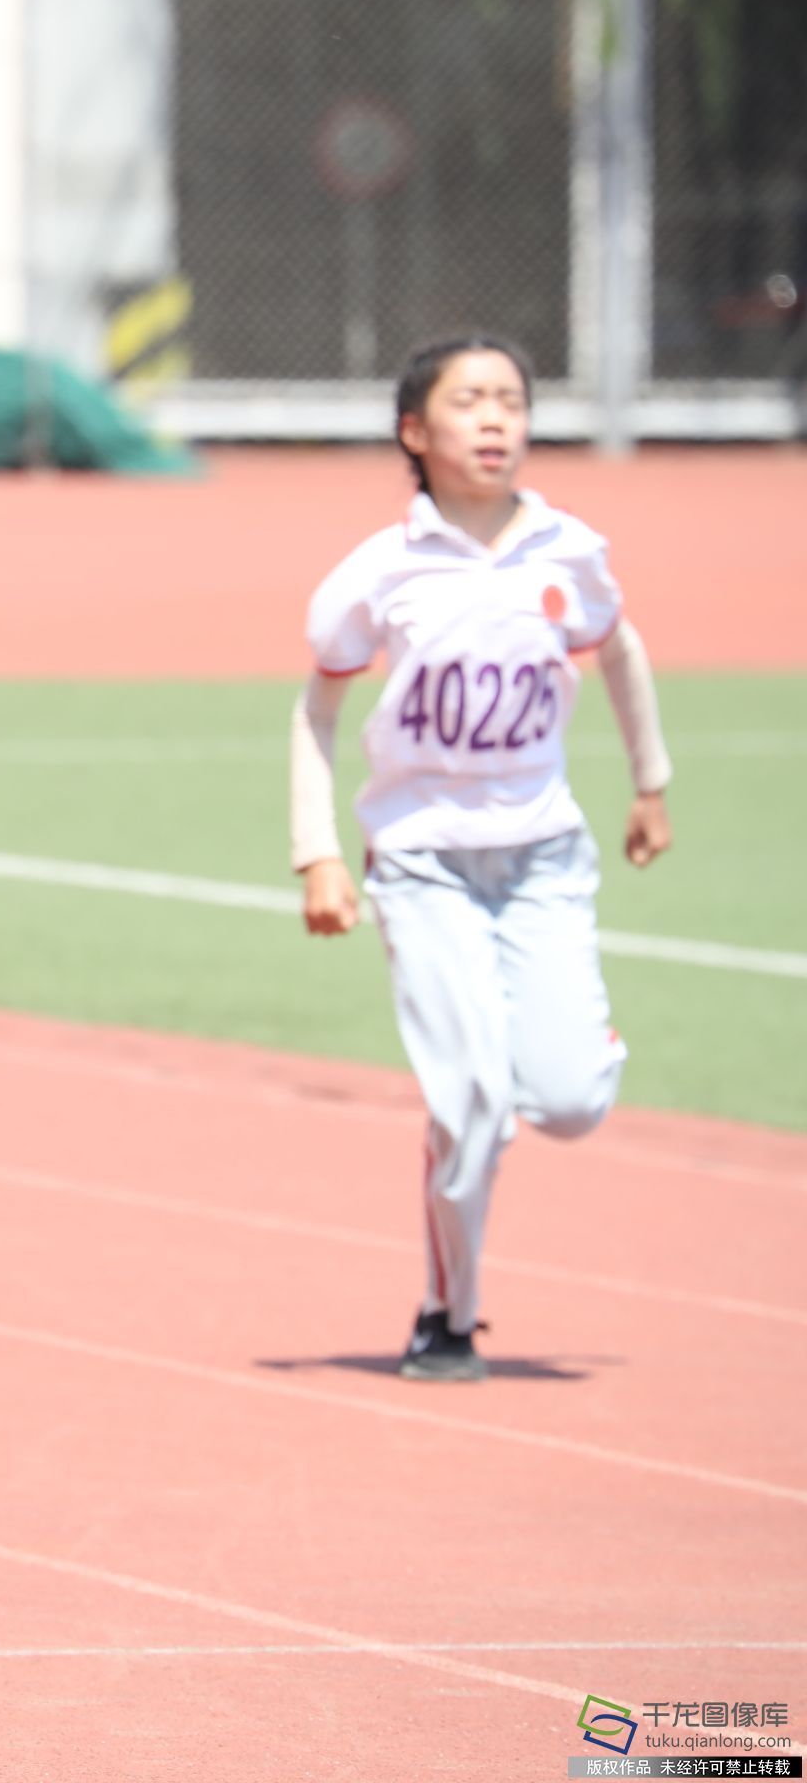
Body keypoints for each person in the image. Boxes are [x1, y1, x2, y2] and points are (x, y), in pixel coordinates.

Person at [289, 333, 674, 1382]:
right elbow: (318, 705)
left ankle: (561, 1044)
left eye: (512, 399)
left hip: (545, 857)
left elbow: (619, 643)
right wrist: (318, 851)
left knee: (572, 1100)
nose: (497, 419)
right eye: (470, 401)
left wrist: (651, 779)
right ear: (415, 432)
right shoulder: (380, 573)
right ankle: (444, 1314)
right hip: (421, 862)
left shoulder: (569, 550)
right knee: (468, 1102)